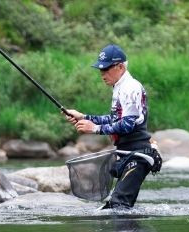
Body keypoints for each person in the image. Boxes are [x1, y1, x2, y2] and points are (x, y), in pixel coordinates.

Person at [64, 44, 161, 210]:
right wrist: (84, 117)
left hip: (138, 155)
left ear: (120, 67)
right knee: (114, 207)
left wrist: (94, 128)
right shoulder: (119, 87)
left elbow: (127, 125)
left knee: (118, 206)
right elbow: (114, 118)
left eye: (106, 69)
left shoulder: (130, 87)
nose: (102, 74)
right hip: (126, 153)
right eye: (100, 70)